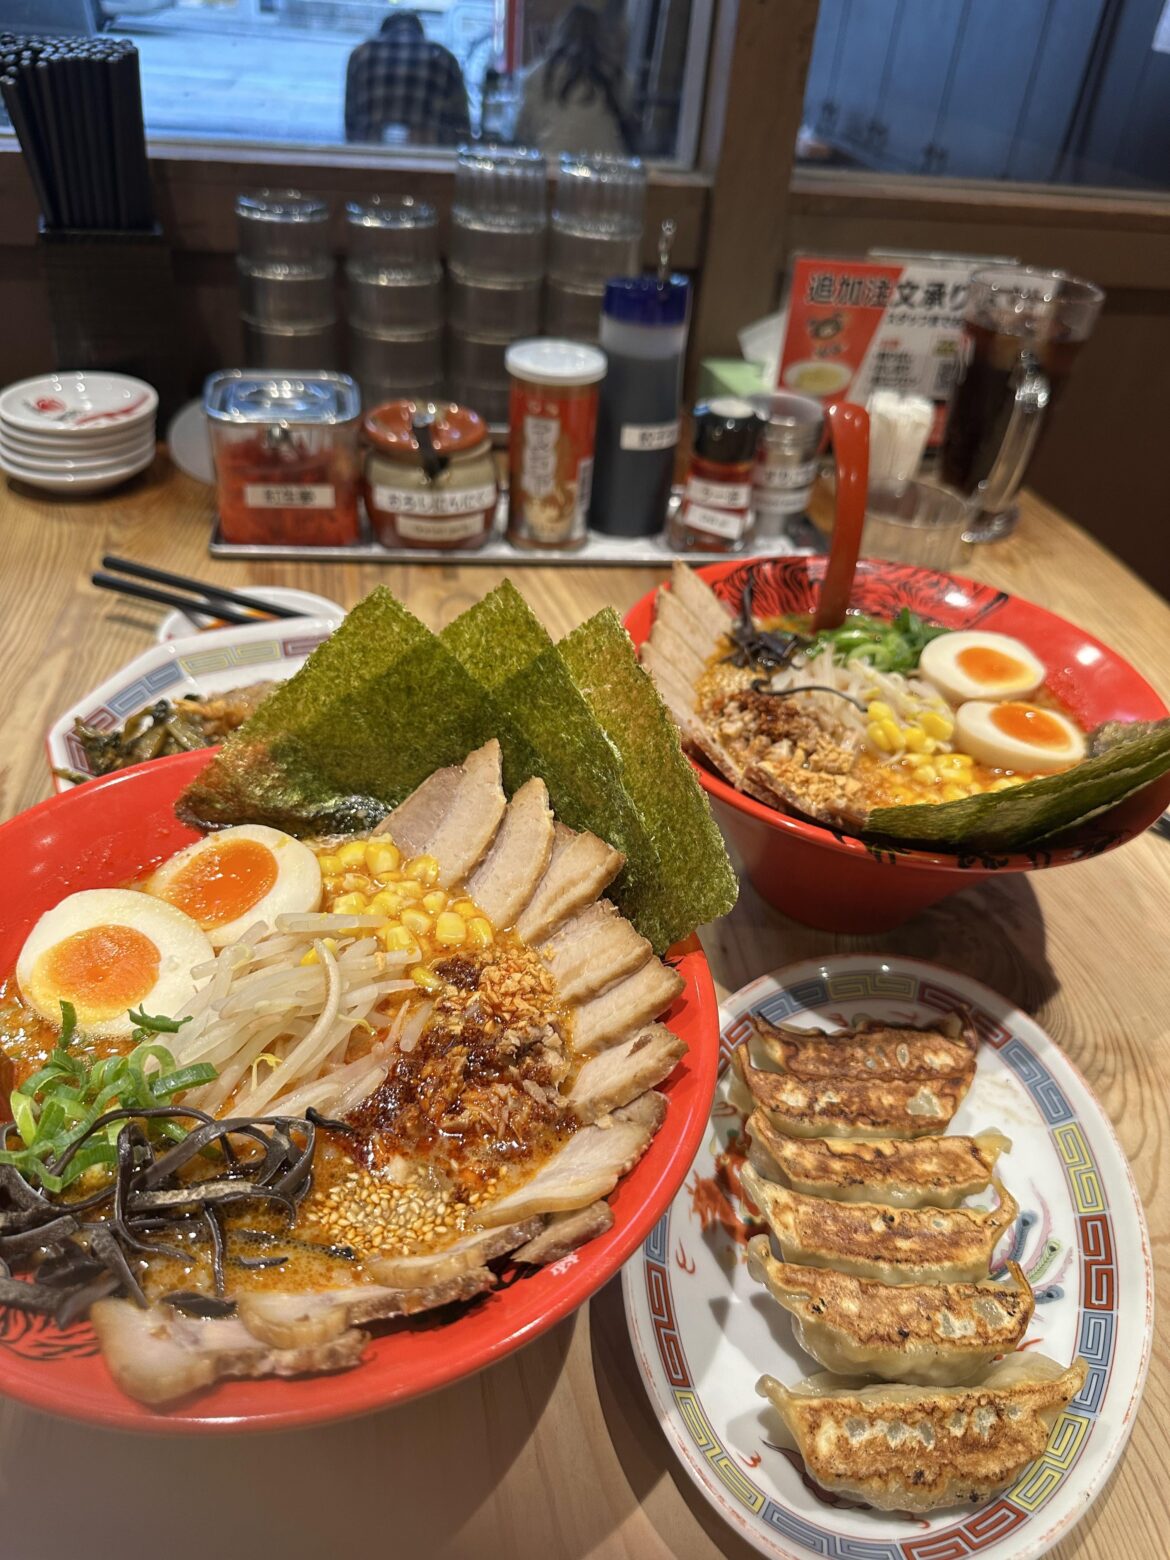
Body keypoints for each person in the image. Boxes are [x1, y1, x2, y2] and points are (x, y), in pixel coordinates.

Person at [515, 4, 635, 157]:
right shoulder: (619, 78)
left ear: (559, 32)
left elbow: (522, 132)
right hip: (606, 171)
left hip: (553, 168)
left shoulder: (537, 75)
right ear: (602, 37)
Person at [345, 11, 471, 147]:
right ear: (420, 31)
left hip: (370, 156)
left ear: (383, 30)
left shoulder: (362, 55)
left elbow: (351, 122)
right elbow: (461, 126)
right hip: (428, 158)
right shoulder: (442, 57)